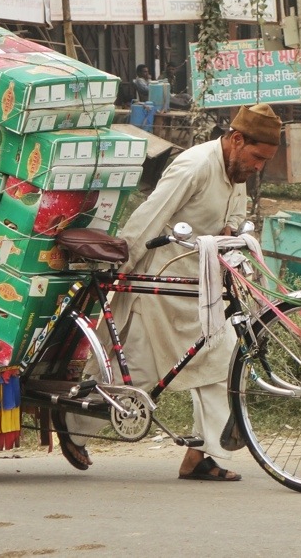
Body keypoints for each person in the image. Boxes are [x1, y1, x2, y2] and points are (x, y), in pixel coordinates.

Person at [60, 103, 282, 482]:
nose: (258, 167)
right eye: (257, 157)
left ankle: (202, 456)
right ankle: (72, 426)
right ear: (236, 140)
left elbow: (233, 214)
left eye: (264, 161)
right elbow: (152, 213)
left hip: (199, 287)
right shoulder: (195, 166)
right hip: (159, 284)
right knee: (141, 370)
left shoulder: (236, 170)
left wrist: (230, 231)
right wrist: (120, 267)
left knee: (224, 363)